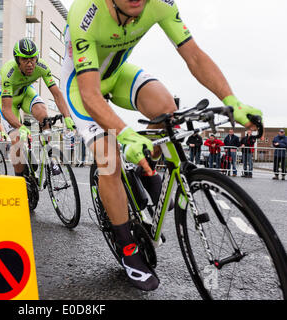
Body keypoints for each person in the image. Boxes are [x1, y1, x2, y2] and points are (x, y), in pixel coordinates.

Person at [61, 0, 262, 291]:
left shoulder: (159, 3)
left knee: (167, 109)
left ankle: (146, 169)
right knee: (109, 159)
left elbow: (193, 56)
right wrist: (126, 133)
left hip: (117, 75)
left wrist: (232, 100)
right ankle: (128, 249)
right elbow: (91, 95)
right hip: (81, 88)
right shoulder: (86, 14)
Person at [0, 38, 75, 177]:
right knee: (16, 141)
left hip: (26, 92)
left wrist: (67, 117)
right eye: (25, 60)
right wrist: (20, 126)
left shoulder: (41, 66)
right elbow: (7, 109)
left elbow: (57, 94)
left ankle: (50, 158)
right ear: (17, 60)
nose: (30, 63)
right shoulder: (8, 72)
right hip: (9, 101)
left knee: (44, 116)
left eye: (33, 58)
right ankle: (21, 178)